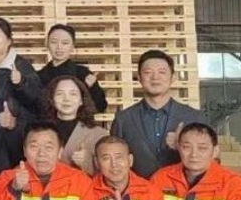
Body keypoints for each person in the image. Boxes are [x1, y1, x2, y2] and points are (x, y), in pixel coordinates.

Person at [111, 50, 208, 178]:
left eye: (162, 72)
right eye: (148, 72)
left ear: (173, 77)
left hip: (182, 188)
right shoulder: (123, 119)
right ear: (139, 78)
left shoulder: (194, 117)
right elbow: (114, 159)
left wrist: (181, 147)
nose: (155, 77)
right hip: (138, 189)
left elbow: (211, 161)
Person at [41, 75, 108, 176]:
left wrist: (88, 163)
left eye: (73, 94)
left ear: (81, 100)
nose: (66, 99)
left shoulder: (99, 134)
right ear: (52, 99)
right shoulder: (38, 131)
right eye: (60, 94)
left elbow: (108, 174)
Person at [0, 17, 44, 117]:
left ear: (9, 40)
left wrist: (21, 83)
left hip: (13, 124)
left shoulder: (20, 66)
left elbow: (38, 100)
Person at [39, 24, 108, 113]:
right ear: (46, 44)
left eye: (65, 43)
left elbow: (101, 107)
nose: (59, 47)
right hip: (46, 121)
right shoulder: (39, 76)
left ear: (72, 46)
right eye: (54, 42)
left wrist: (91, 88)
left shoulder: (82, 73)